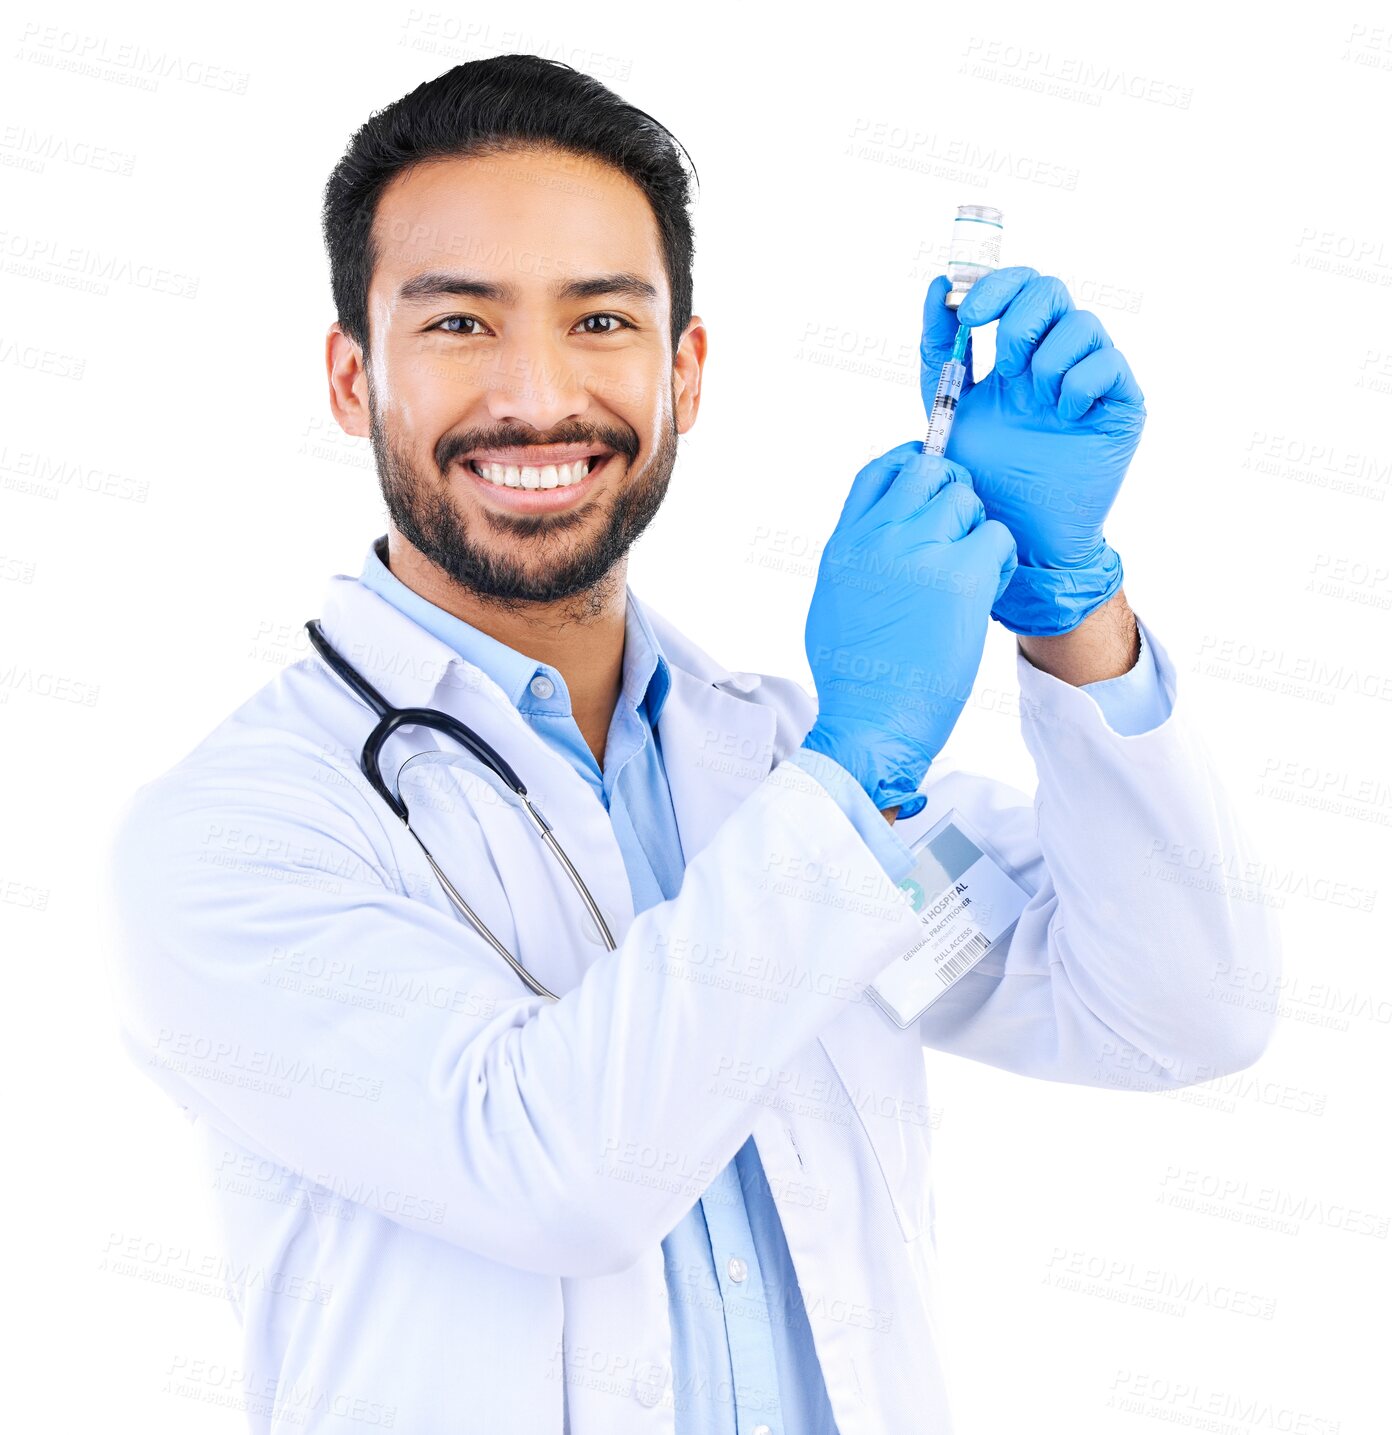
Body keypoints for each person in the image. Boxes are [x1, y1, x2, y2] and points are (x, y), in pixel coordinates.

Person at [108, 54, 1282, 1435]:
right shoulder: (238, 831)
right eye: (461, 327)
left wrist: (1074, 610)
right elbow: (554, 1169)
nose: (538, 394)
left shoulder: (777, 766)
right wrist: (850, 778)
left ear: (687, 372)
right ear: (352, 378)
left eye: (600, 319)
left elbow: (1177, 1009)